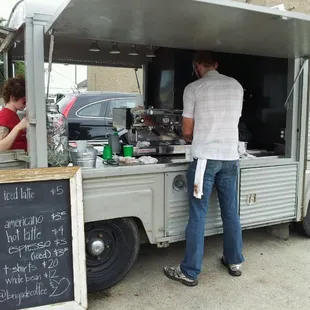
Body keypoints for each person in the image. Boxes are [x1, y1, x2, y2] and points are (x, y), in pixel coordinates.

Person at [163, 51, 244, 287]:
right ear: (216, 64)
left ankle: (189, 271)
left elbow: (187, 130)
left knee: (198, 214)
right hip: (231, 158)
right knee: (230, 212)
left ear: (197, 66)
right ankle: (234, 261)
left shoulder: (193, 88)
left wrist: (190, 135)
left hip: (205, 160)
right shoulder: (236, 86)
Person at [0, 76, 28, 151]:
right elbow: (0, 147)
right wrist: (18, 127)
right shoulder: (4, 117)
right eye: (24, 100)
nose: (26, 104)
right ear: (13, 98)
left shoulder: (13, 115)